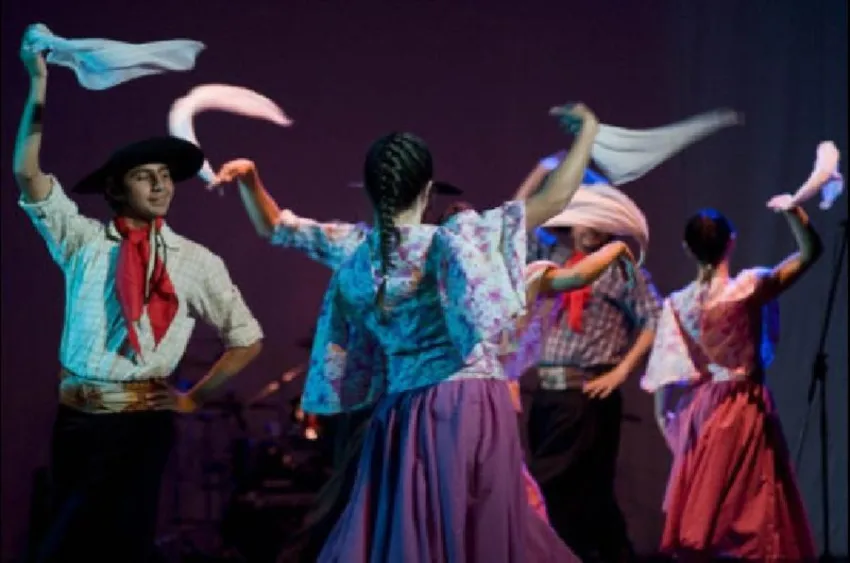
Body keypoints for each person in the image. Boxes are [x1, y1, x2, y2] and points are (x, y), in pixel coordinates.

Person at [210, 103, 600, 561]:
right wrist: (587, 133)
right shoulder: (456, 242)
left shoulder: (359, 250)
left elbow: (278, 228)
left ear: (370, 191)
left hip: (401, 410)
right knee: (479, 530)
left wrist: (251, 180)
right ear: (428, 190)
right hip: (468, 401)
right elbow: (552, 201)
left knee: (413, 532)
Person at [13, 48, 264, 563]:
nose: (160, 184)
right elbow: (26, 173)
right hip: (77, 421)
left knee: (125, 547)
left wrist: (194, 397)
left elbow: (247, 338)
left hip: (141, 425)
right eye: (144, 175)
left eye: (166, 175)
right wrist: (38, 82)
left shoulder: (195, 261)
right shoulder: (84, 241)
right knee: (66, 546)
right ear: (114, 188)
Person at [640, 205, 821, 561]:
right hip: (742, 406)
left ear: (687, 248)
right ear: (731, 242)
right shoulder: (748, 288)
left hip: (701, 410)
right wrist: (793, 213)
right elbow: (810, 253)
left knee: (708, 506)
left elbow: (666, 370)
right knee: (753, 504)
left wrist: (665, 420)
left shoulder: (679, 304)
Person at [512, 159, 661, 563]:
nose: (593, 227)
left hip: (588, 394)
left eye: (601, 219)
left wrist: (622, 370)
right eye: (586, 216)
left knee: (567, 488)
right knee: (575, 496)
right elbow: (515, 223)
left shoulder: (619, 267)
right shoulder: (552, 256)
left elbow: (653, 317)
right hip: (548, 394)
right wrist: (541, 170)